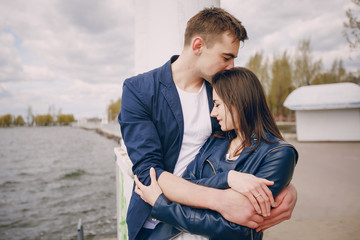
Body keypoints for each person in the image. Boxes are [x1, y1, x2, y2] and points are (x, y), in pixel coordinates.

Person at [118, 7, 297, 240]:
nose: (231, 66)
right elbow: (148, 171)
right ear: (198, 46)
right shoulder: (139, 90)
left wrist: (284, 188)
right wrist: (222, 199)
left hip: (214, 224)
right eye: (226, 57)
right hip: (158, 222)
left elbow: (254, 145)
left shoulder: (222, 92)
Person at [134, 67, 298, 239]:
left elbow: (236, 226)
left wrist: (161, 205)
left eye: (218, 105)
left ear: (242, 102)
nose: (213, 113)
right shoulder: (216, 141)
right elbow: (187, 185)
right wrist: (228, 179)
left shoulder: (279, 154)